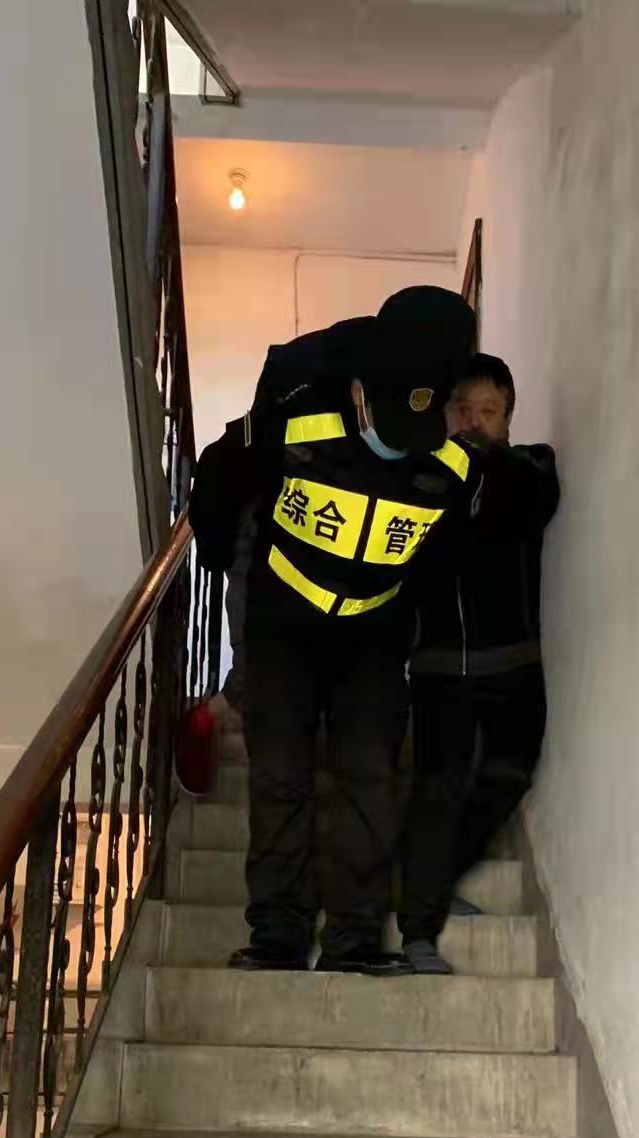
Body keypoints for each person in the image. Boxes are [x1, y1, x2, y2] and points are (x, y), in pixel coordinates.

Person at [190, 286, 481, 974]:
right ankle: (279, 935)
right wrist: (224, 561)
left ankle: (353, 940)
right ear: (358, 390)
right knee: (282, 775)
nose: (400, 442)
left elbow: (440, 562)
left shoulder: (454, 465)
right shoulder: (293, 416)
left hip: (375, 634)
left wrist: (420, 637)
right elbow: (217, 486)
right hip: (282, 623)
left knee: (369, 781)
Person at [399, 353, 559, 973]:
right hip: (439, 667)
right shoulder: (423, 476)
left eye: (487, 411)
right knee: (437, 789)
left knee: (511, 775)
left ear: (507, 421)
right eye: (462, 409)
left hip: (514, 664)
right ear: (444, 413)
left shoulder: (528, 469)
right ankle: (418, 930)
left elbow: (533, 500)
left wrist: (481, 459)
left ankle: (432, 880)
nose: (472, 421)